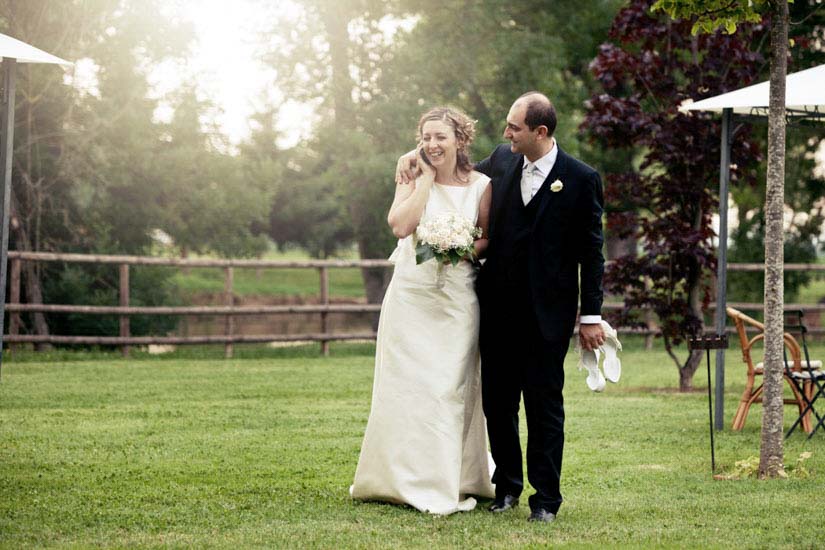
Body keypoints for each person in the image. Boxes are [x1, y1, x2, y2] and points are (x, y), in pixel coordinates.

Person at [396, 91, 606, 523]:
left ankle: (546, 499)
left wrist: (591, 315)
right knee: (499, 404)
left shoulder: (581, 178)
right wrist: (413, 155)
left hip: (549, 315)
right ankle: (507, 487)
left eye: (514, 127)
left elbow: (592, 252)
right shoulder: (502, 161)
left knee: (545, 408)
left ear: (540, 132)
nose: (505, 132)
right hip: (496, 309)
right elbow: (456, 170)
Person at [350, 106, 495, 515]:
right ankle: (395, 478)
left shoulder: (482, 185)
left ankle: (451, 479)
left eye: (441, 137)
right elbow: (400, 227)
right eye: (426, 137)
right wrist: (426, 182)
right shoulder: (412, 176)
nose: (433, 144)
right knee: (406, 388)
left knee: (448, 389)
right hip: (411, 297)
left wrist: (460, 248)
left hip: (456, 299)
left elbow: (487, 238)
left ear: (459, 140)